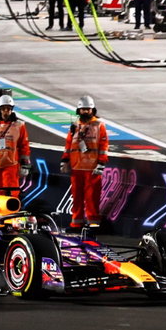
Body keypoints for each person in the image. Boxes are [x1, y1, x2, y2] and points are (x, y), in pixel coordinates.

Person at [60, 94, 109, 229]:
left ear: (93, 110)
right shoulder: (75, 126)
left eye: (88, 109)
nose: (86, 111)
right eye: (83, 109)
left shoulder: (99, 125)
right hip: (76, 168)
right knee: (76, 198)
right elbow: (69, 144)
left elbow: (104, 146)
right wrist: (65, 160)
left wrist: (101, 163)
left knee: (92, 198)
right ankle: (76, 223)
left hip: (92, 169)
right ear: (79, 110)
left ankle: (93, 224)